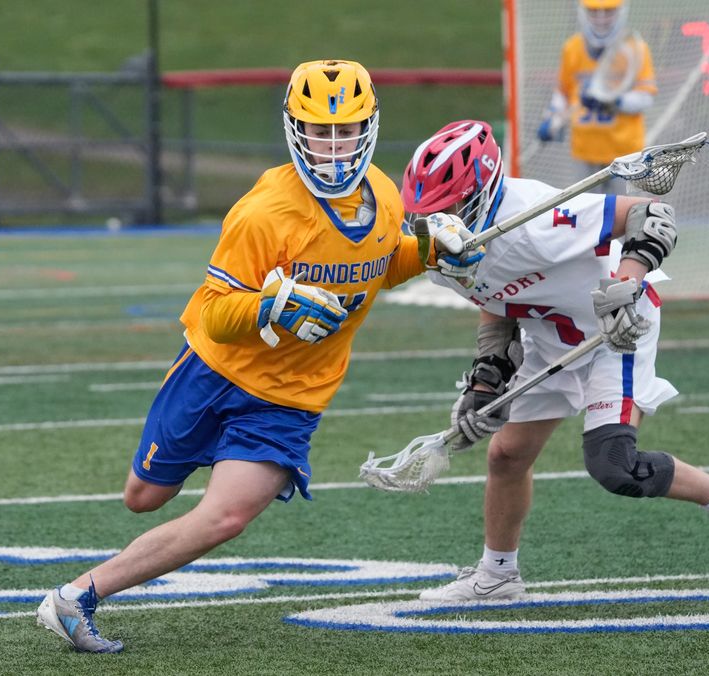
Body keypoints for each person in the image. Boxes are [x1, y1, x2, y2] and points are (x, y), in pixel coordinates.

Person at [35, 60, 483, 652]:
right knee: (142, 498)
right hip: (214, 372)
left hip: (290, 397)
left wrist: (428, 250)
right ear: (295, 130)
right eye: (318, 131)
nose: (331, 146)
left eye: (344, 130)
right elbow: (217, 314)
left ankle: (74, 600)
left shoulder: (382, 194)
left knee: (225, 517)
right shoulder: (264, 211)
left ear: (367, 128)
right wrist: (271, 307)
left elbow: (375, 266)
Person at [401, 119, 709, 601]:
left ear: (481, 193)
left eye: (448, 208)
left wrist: (625, 285)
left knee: (614, 465)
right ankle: (498, 576)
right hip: (550, 334)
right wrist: (487, 377)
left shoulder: (535, 218)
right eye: (428, 212)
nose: (437, 224)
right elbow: (496, 302)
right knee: (508, 455)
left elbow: (653, 214)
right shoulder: (443, 256)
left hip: (614, 327)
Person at [537, 0, 656, 194]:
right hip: (584, 150)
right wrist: (552, 119)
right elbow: (563, 93)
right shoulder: (572, 48)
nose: (601, 19)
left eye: (608, 11)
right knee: (586, 216)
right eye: (594, 11)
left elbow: (646, 98)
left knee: (624, 215)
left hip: (625, 152)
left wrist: (615, 102)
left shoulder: (635, 48)